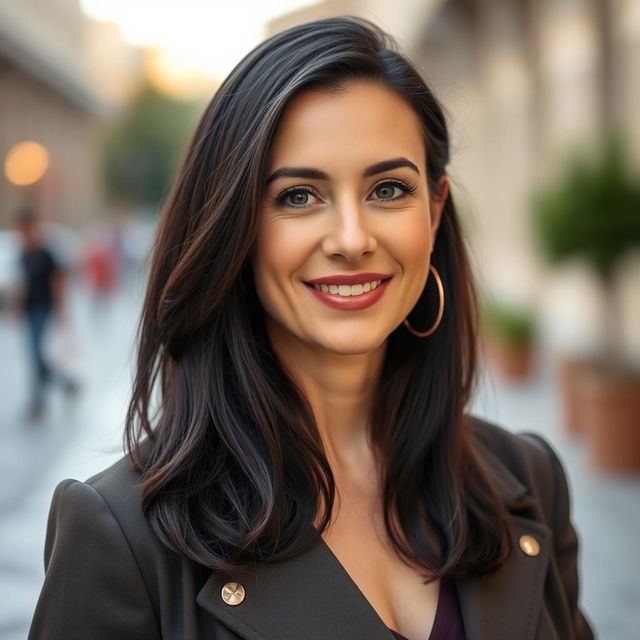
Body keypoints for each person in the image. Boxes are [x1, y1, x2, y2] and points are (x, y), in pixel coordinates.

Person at [28, 16, 593, 640]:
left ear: (434, 211)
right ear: (234, 227)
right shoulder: (120, 536)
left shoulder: (529, 481)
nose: (352, 240)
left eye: (388, 188)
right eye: (299, 196)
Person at [13, 207, 78, 420]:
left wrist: (61, 311)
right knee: (35, 356)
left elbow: (57, 282)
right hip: (31, 308)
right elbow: (23, 283)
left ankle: (37, 402)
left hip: (44, 307)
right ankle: (66, 383)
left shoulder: (46, 253)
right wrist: (18, 307)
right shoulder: (23, 253)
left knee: (35, 354)